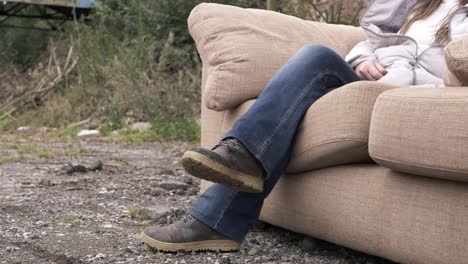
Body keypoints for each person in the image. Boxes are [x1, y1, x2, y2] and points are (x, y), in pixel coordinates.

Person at [141, 0, 468, 252]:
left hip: (413, 93)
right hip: (372, 77)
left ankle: (215, 218)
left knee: (288, 115)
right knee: (315, 57)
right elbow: (373, 42)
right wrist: (364, 60)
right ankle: (239, 156)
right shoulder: (421, 4)